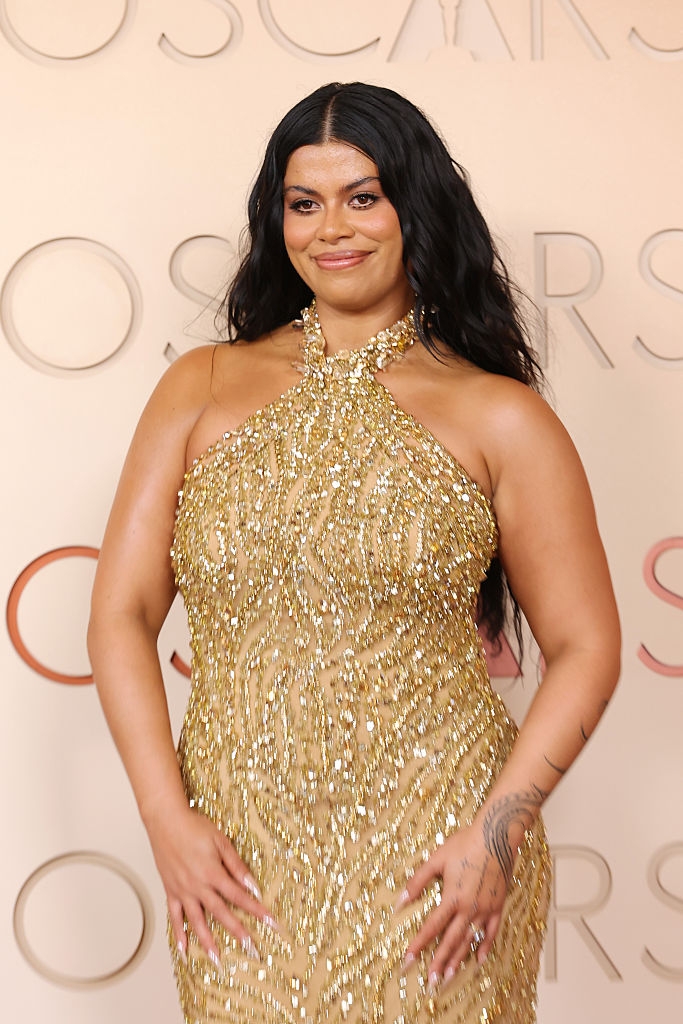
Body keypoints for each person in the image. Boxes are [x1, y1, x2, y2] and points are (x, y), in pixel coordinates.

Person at [88, 82, 620, 1024]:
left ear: (415, 207)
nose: (331, 228)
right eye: (304, 203)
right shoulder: (199, 386)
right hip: (235, 856)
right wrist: (165, 818)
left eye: (362, 197)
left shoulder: (498, 414)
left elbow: (585, 648)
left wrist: (496, 836)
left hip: (439, 855)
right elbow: (121, 615)